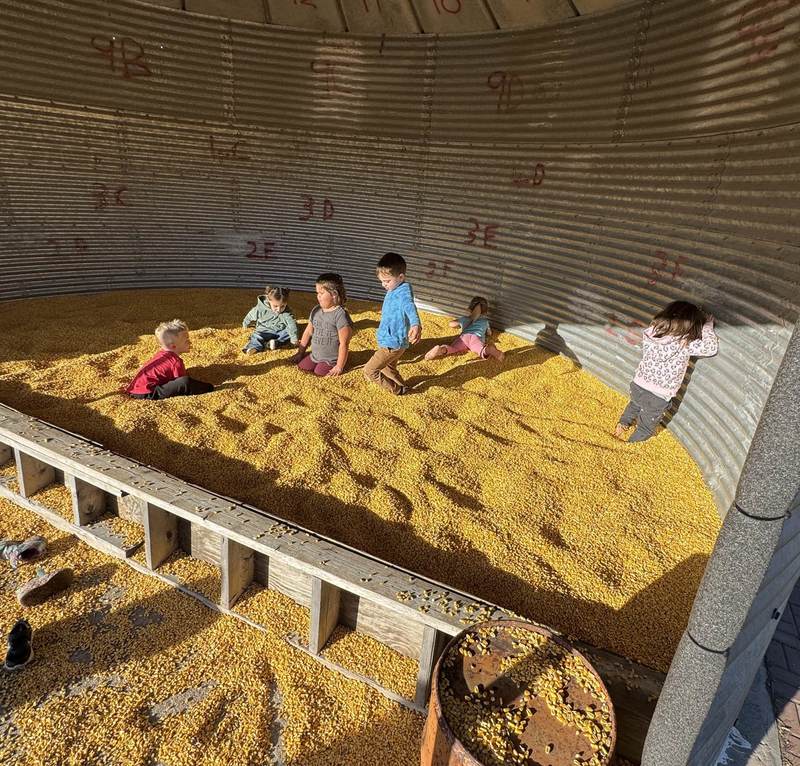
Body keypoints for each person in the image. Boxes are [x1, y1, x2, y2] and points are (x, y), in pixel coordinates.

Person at [615, 301, 718, 442]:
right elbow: (711, 348)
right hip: (657, 395)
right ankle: (630, 446)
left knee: (635, 404)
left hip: (638, 384)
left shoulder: (652, 332)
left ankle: (622, 424)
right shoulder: (684, 343)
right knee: (645, 427)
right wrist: (707, 325)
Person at [363, 252, 421, 395]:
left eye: (387, 281)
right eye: (381, 281)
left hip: (392, 343)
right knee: (388, 368)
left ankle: (397, 389)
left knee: (370, 370)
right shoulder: (394, 288)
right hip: (391, 340)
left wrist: (415, 324)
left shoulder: (403, 292)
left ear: (401, 277)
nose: (384, 285)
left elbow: (410, 306)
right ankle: (404, 387)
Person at [125, 320, 214, 400]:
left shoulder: (160, 355)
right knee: (185, 382)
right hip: (148, 393)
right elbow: (180, 381)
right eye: (186, 340)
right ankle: (210, 387)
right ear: (173, 346)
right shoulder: (175, 362)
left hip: (135, 389)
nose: (190, 342)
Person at [292, 274, 353, 377]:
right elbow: (308, 332)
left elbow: (344, 343)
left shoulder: (340, 315)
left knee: (319, 372)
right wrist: (300, 353)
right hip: (314, 356)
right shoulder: (316, 310)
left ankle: (339, 362)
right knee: (302, 367)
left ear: (334, 294)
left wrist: (339, 366)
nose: (318, 296)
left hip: (331, 360)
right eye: (317, 293)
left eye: (321, 293)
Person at [424, 296, 505, 363]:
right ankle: (489, 350)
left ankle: (441, 350)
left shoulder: (464, 319)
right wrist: (487, 333)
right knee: (480, 350)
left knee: (453, 348)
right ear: (485, 312)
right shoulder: (485, 321)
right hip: (476, 338)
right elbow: (489, 333)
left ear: (470, 309)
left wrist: (460, 323)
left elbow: (451, 324)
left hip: (463, 338)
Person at [241, 286, 299, 354]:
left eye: (283, 306)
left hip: (280, 332)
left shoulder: (286, 313)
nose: (279, 310)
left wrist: (294, 339)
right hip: (264, 331)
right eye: (275, 306)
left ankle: (274, 343)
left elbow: (292, 325)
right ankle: (254, 347)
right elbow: (250, 315)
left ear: (286, 303)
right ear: (269, 301)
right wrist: (245, 324)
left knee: (289, 332)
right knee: (256, 336)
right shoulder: (260, 309)